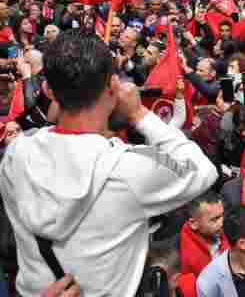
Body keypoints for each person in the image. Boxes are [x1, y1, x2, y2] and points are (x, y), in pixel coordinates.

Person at [0, 31, 218, 296]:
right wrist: (139, 113)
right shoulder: (128, 169)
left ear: (48, 90)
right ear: (112, 86)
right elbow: (201, 168)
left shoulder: (15, 155)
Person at [179, 190, 229, 277]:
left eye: (222, 215)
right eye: (214, 219)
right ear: (193, 223)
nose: (221, 223)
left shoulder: (228, 233)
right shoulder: (182, 257)